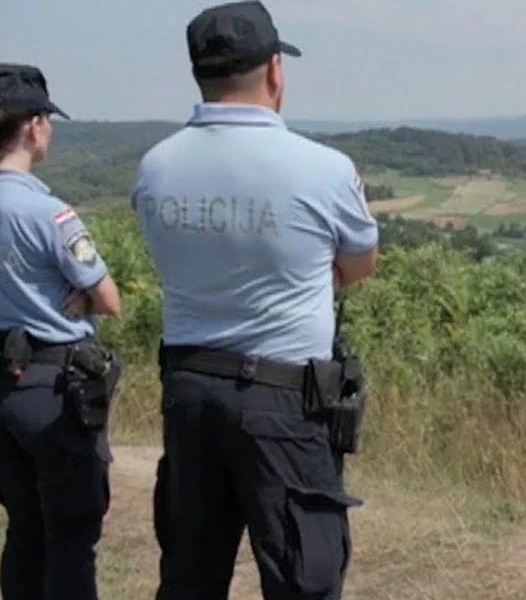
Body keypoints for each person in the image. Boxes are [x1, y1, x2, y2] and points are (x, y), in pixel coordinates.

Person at [130, 1, 378, 598]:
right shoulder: (324, 169)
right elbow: (359, 263)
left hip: (187, 392)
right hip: (284, 402)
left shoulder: (154, 168)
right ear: (274, 70)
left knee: (190, 575)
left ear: (200, 76)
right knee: (302, 578)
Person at [0, 62, 124, 600]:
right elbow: (109, 299)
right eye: (48, 118)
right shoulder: (48, 213)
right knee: (72, 540)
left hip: (1, 385)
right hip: (55, 388)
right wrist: (77, 295)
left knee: (25, 533)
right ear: (33, 125)